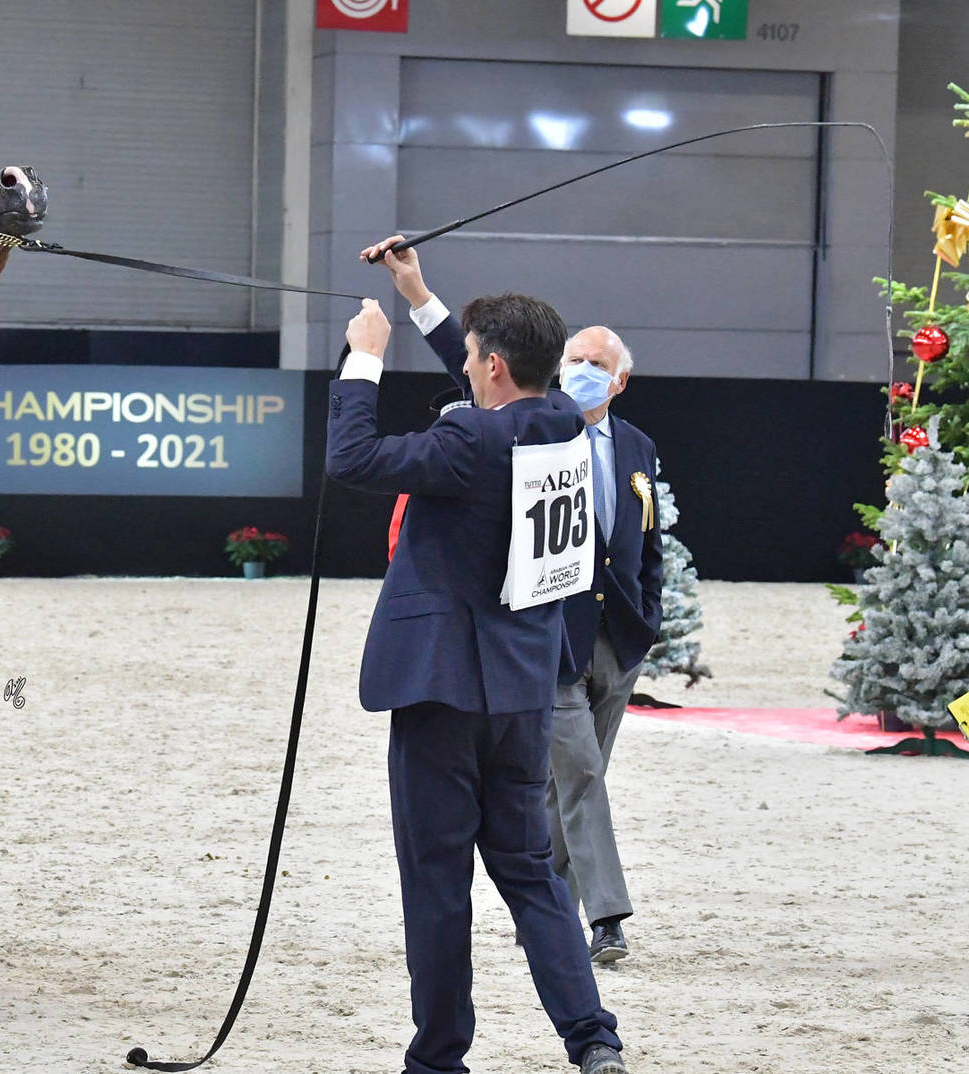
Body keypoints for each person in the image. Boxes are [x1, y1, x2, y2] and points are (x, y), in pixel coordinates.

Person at [329, 235, 628, 1074]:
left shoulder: (469, 443)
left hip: (443, 692)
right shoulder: (564, 420)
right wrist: (419, 296)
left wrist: (365, 360)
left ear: (492, 367)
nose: (461, 367)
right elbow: (493, 382)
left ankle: (438, 1058)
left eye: (468, 355)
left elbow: (352, 459)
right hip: (523, 692)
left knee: (436, 881)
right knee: (530, 874)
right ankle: (592, 1040)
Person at [548, 326, 663, 964]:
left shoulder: (639, 446)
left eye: (597, 364)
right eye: (575, 360)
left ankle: (543, 904)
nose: (584, 370)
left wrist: (647, 620)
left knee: (567, 781)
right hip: (551, 638)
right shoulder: (532, 429)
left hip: (618, 640)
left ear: (619, 381)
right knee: (583, 774)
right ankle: (607, 919)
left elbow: (650, 547)